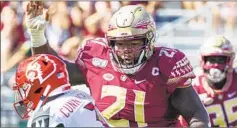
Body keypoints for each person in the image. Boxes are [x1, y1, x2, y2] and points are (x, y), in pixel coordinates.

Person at [25, 1, 209, 127]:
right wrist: (37, 36)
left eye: (133, 42)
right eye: (120, 43)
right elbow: (53, 72)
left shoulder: (166, 64)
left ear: (150, 40)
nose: (125, 49)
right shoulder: (97, 56)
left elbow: (196, 115)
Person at [180, 35, 237, 127]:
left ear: (230, 60)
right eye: (211, 60)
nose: (216, 65)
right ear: (202, 60)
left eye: (221, 59)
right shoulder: (193, 89)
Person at [13, 54, 106, 127]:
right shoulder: (80, 94)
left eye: (24, 88)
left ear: (38, 86)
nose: (23, 95)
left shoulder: (46, 114)